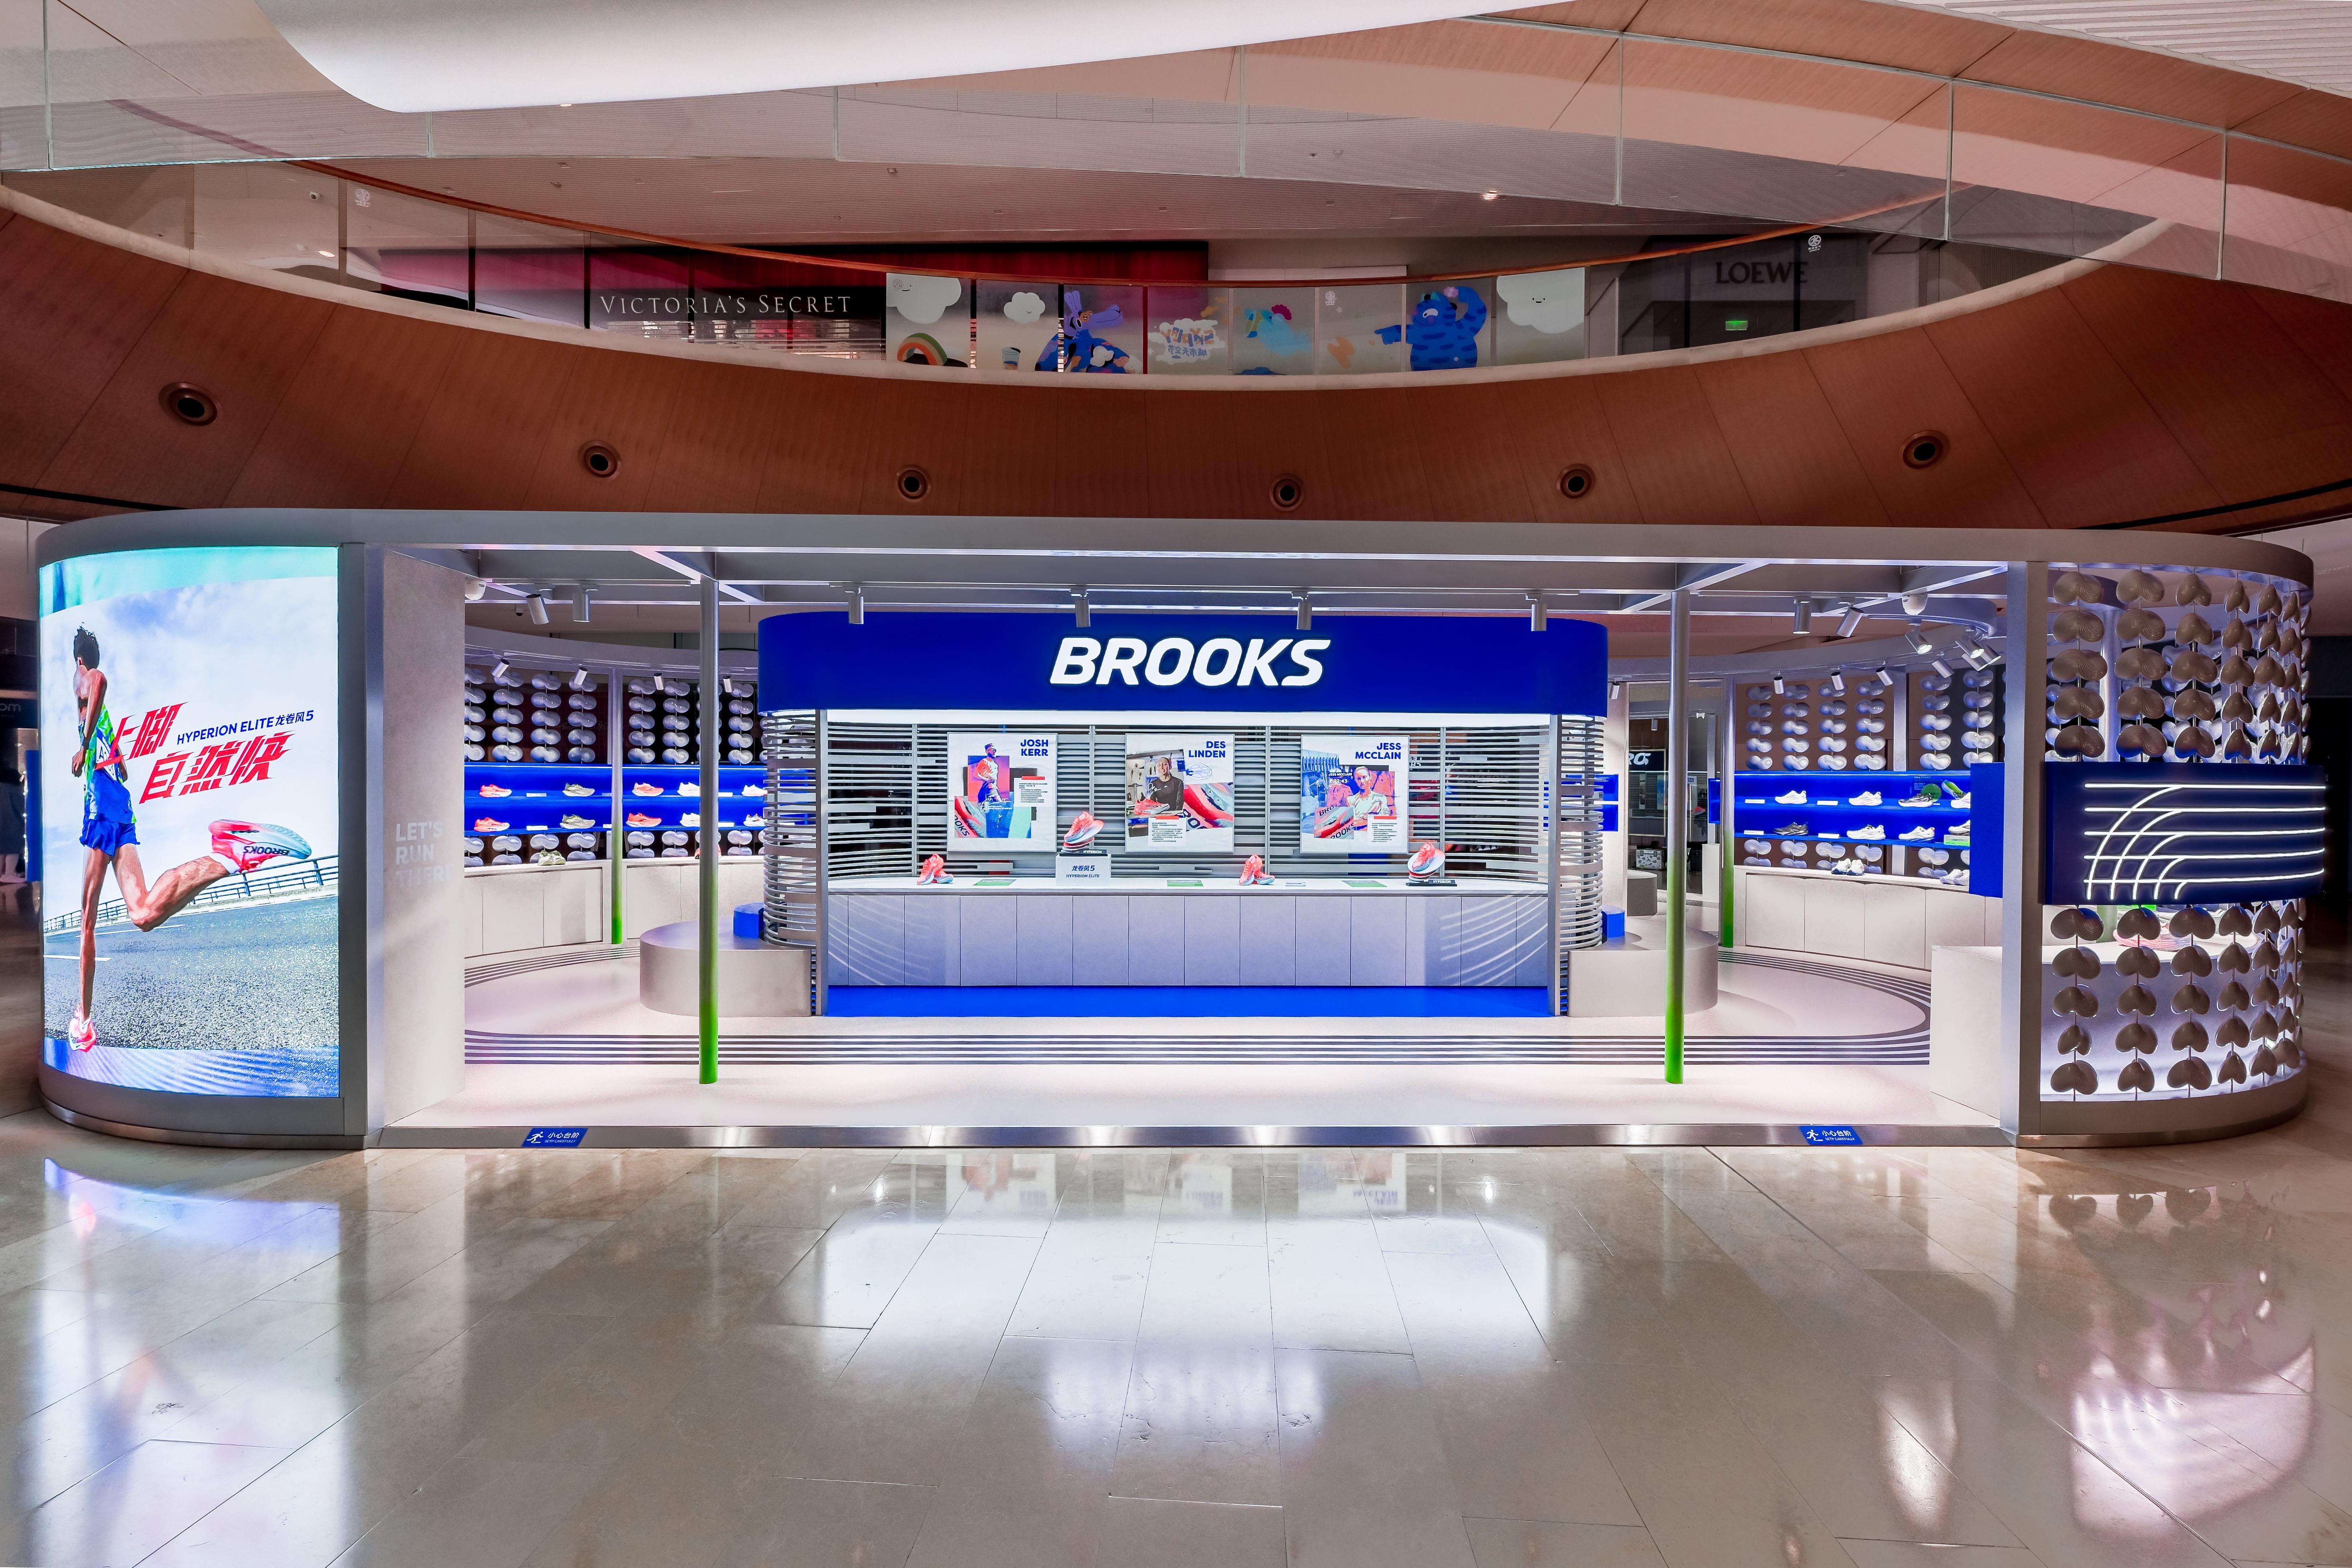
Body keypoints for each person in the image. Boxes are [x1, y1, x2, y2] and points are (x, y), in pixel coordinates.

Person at [66, 625, 310, 1052]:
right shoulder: (105, 718)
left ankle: (83, 1019)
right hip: (119, 805)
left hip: (101, 806)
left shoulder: (83, 675)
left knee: (87, 920)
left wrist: (84, 746)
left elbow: (98, 681)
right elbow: (119, 757)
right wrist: (114, 758)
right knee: (143, 912)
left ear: (79, 658)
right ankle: (230, 854)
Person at [0, 752, 22, 883]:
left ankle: (3, 874)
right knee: (13, 849)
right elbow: (20, 805)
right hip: (12, 822)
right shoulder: (13, 787)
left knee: (2, 850)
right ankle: (8, 874)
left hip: (2, 822)